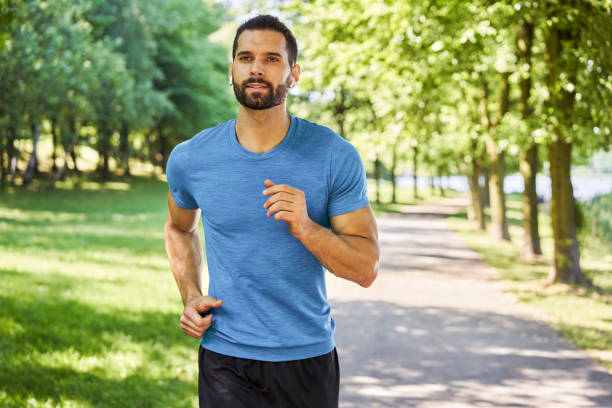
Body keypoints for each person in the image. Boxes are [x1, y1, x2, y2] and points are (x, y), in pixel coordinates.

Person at [164, 14, 380, 408]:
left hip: (306, 357)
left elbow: (365, 268)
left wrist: (307, 228)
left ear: (294, 74)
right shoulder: (191, 158)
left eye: (272, 59)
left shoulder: (334, 156)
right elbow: (179, 229)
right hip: (225, 356)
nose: (257, 68)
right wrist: (191, 294)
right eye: (246, 58)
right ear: (231, 70)